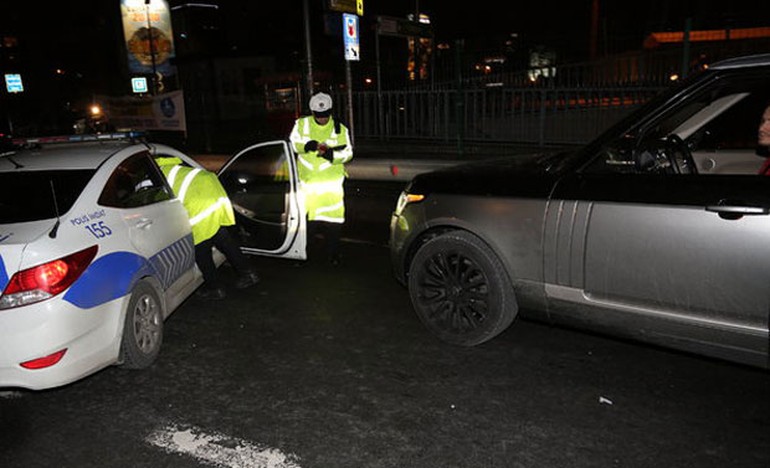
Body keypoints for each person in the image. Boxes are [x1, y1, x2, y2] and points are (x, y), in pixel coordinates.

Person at [155, 156, 260, 299]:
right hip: (215, 193)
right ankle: (249, 273)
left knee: (201, 249)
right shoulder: (173, 167)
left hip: (200, 204)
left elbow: (157, 205)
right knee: (222, 238)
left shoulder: (154, 177)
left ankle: (215, 287)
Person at [289, 92, 354, 265]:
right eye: (319, 116)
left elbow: (348, 153)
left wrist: (332, 155)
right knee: (306, 224)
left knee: (333, 223)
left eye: (325, 115)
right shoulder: (301, 125)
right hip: (308, 184)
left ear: (330, 112)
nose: (322, 119)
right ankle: (303, 255)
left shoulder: (340, 128)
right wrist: (306, 146)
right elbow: (293, 143)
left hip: (331, 187)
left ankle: (333, 254)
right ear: (312, 112)